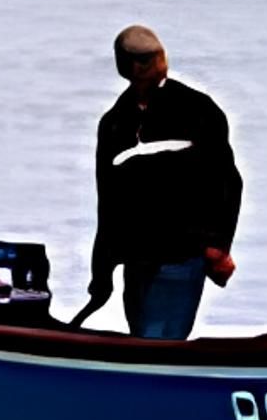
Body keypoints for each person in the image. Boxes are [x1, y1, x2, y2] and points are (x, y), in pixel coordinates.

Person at [85, 23, 241, 338]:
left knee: (158, 340)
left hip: (183, 256)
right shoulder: (115, 124)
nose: (152, 66)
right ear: (125, 67)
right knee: (143, 335)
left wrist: (218, 245)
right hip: (137, 260)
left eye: (155, 58)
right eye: (141, 61)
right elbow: (110, 204)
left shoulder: (199, 111)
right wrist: (102, 272)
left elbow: (227, 182)